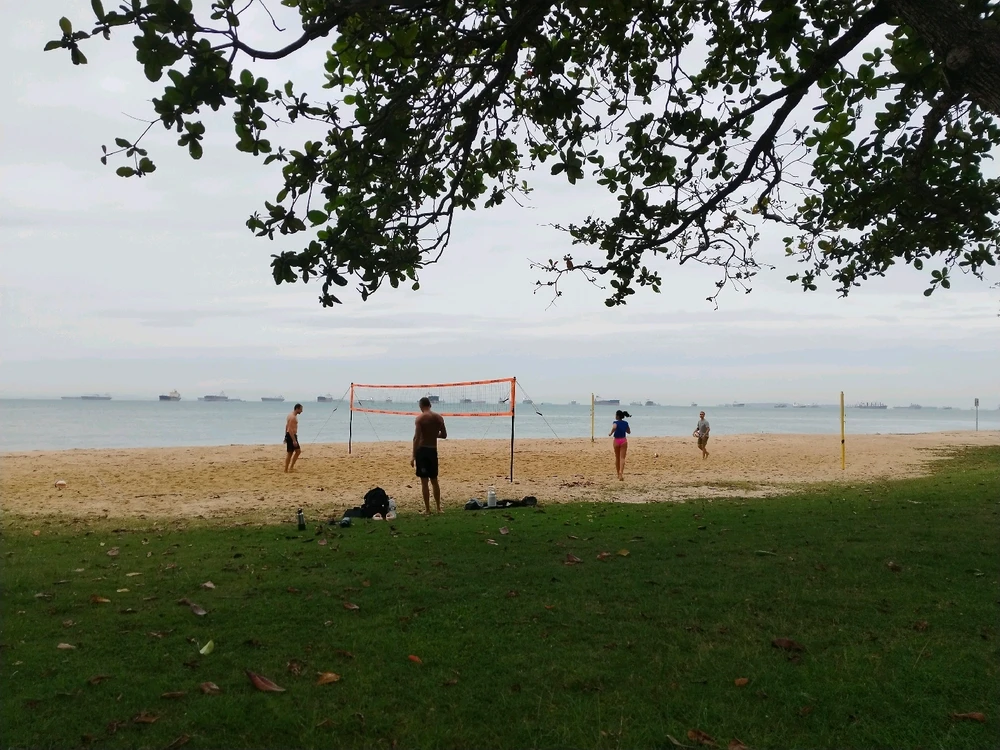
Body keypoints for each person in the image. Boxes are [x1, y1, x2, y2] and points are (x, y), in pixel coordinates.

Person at [411, 396, 447, 514]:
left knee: (424, 482)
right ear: (430, 405)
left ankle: (427, 509)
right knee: (434, 480)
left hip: (422, 451)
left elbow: (416, 438)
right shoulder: (439, 418)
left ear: (421, 406)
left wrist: (413, 456)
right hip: (432, 450)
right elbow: (444, 435)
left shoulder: (420, 419)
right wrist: (433, 435)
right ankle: (438, 508)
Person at [608, 409, 631, 480]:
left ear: (617, 416)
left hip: (616, 440)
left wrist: (611, 433)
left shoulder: (615, 422)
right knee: (622, 458)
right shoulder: (625, 423)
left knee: (617, 458)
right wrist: (623, 429)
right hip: (623, 440)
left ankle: (618, 473)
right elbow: (629, 431)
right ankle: (621, 472)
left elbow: (614, 427)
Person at [284, 403, 303, 472]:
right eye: (301, 409)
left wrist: (285, 436)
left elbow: (286, 426)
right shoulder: (293, 417)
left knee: (297, 451)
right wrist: (294, 440)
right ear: (297, 409)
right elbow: (290, 429)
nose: (301, 411)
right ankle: (286, 469)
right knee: (290, 453)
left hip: (289, 435)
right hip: (291, 436)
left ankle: (290, 468)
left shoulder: (290, 415)